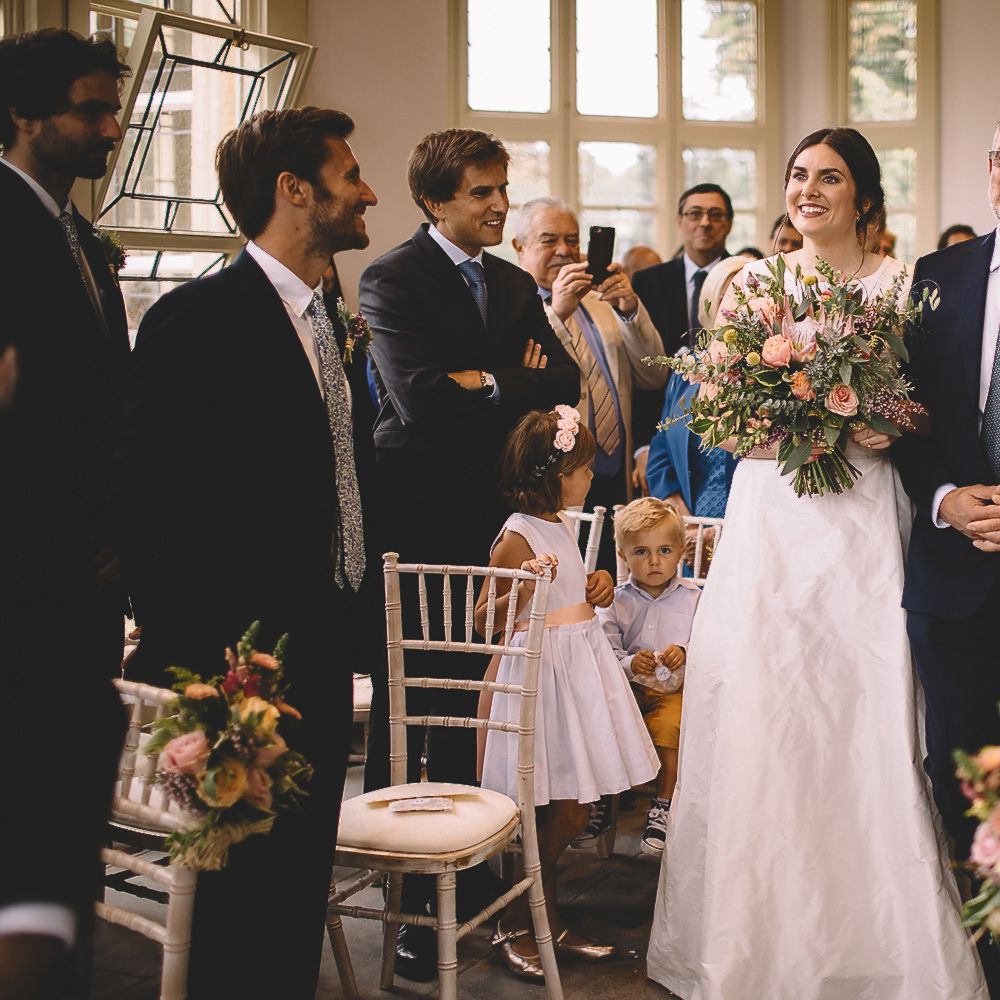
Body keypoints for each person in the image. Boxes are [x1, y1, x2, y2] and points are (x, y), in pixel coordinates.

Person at [646, 126, 988, 999]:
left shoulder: (906, 287)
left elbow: (928, 413)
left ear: (863, 196)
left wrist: (880, 425)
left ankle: (879, 940)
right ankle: (752, 943)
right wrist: (801, 421)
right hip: (774, 525)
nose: (809, 190)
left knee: (864, 719)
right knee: (769, 717)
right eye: (798, 175)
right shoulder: (751, 284)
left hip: (866, 527)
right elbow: (717, 422)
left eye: (829, 177)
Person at [114, 106, 380, 1000]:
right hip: (238, 665)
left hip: (321, 643)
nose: (367, 191)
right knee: (233, 894)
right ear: (294, 191)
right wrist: (210, 680)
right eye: (349, 175)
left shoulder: (328, 316)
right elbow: (150, 505)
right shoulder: (200, 319)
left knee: (295, 883)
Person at [359, 128, 579, 979]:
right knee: (410, 708)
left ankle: (480, 883)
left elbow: (560, 383)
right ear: (436, 200)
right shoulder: (392, 277)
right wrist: (506, 379)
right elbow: (417, 404)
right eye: (483, 192)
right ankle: (409, 909)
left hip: (496, 528)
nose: (498, 204)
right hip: (416, 522)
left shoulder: (515, 283)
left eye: (501, 189)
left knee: (486, 708)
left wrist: (483, 380)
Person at [0, 28, 130, 1000]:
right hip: (21, 576)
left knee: (64, 822)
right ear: (24, 116)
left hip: (82, 575)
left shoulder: (78, 236)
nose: (110, 127)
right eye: (90, 109)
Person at [479, 406, 658, 981]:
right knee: (549, 805)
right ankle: (517, 913)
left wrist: (598, 587)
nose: (589, 478)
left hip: (575, 672)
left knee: (572, 805)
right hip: (537, 682)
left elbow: (575, 596)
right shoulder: (517, 533)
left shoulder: (561, 523)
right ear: (549, 472)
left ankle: (542, 914)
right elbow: (484, 618)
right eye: (581, 468)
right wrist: (526, 588)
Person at [895, 118, 1000, 995]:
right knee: (957, 765)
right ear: (994, 173)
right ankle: (990, 942)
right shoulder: (940, 278)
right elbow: (908, 419)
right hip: (952, 569)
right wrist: (943, 500)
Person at [512, 196, 667, 568]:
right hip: (556, 483)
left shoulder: (601, 302)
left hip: (614, 476)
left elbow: (653, 373)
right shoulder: (514, 308)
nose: (565, 251)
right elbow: (526, 383)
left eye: (572, 240)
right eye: (550, 240)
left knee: (611, 584)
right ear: (520, 248)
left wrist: (630, 310)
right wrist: (558, 312)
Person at [598, 498, 699, 855]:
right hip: (627, 690)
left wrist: (685, 651)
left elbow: (711, 645)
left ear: (681, 552)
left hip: (672, 691)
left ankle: (663, 804)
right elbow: (604, 649)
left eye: (664, 550)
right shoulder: (614, 602)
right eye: (641, 551)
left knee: (672, 725)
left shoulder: (694, 599)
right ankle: (601, 800)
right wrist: (628, 663)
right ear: (623, 555)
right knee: (602, 718)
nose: (654, 561)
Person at [631, 183, 734, 492]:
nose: (705, 222)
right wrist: (644, 447)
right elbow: (639, 368)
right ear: (680, 221)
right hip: (666, 435)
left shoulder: (748, 275)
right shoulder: (648, 282)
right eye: (695, 213)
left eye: (715, 215)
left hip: (732, 438)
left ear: (728, 223)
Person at [645, 256, 742, 570]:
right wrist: (685, 523)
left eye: (747, 295)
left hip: (746, 527)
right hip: (689, 535)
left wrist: (724, 531)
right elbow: (660, 451)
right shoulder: (687, 369)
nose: (737, 307)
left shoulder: (776, 372)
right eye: (727, 296)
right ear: (709, 304)